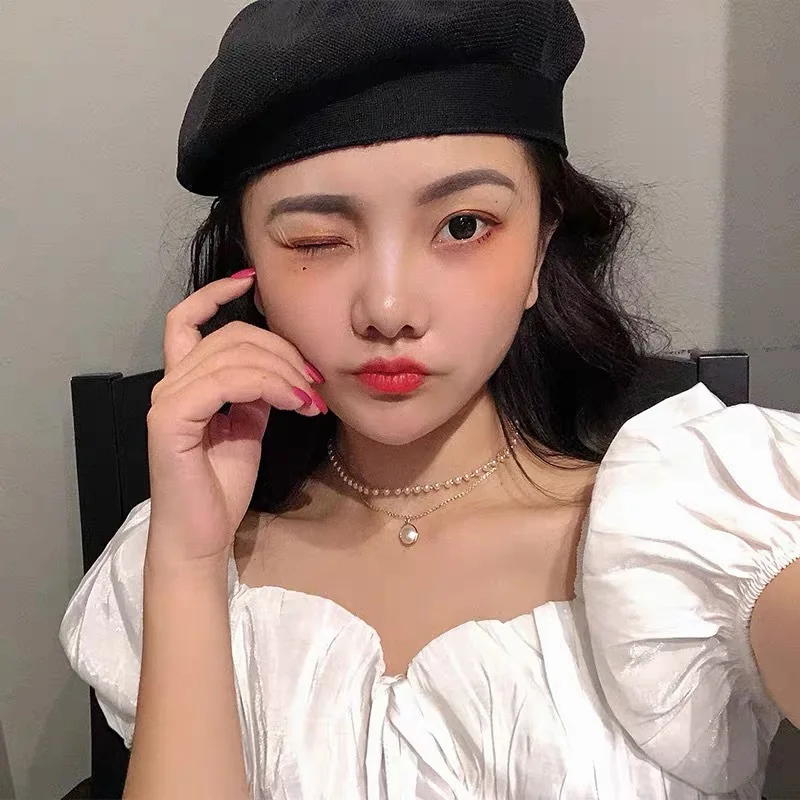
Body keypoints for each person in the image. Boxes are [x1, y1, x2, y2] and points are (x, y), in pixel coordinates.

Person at [59, 1, 800, 798]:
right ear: (253, 275)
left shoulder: (706, 530)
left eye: (463, 225)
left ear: (540, 249)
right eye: (315, 241)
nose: (388, 309)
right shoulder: (178, 560)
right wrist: (189, 562)